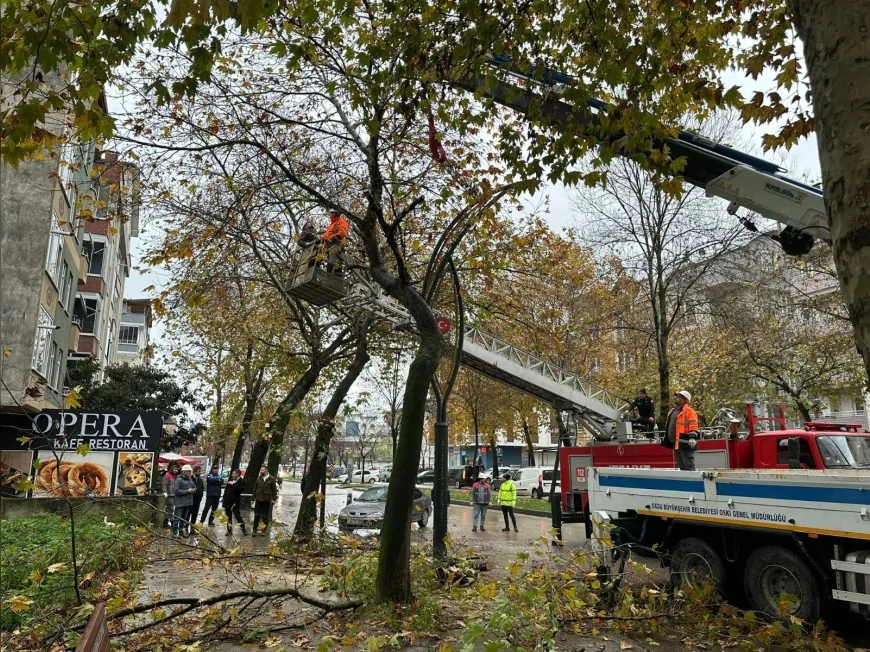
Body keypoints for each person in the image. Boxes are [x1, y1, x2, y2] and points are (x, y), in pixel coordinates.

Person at [662, 390, 700, 471]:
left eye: (679, 397)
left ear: (685, 400)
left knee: (689, 466)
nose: (676, 398)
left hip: (685, 442)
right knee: (682, 467)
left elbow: (693, 425)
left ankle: (693, 482)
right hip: (676, 443)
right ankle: (686, 482)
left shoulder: (690, 411)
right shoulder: (672, 411)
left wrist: (692, 437)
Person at [251, 465, 278, 536]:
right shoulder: (259, 478)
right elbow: (254, 488)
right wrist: (252, 499)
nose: (261, 471)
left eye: (262, 470)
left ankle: (263, 530)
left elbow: (274, 490)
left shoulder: (271, 478)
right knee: (256, 515)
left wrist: (274, 499)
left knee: (265, 516)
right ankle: (254, 529)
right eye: (260, 470)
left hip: (266, 500)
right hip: (258, 500)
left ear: (266, 470)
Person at [171, 465, 197, 537]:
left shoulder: (190, 479)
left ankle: (181, 531)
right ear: (184, 471)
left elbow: (195, 487)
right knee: (177, 518)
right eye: (188, 471)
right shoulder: (179, 480)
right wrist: (187, 491)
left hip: (188, 503)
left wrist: (194, 490)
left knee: (183, 519)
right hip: (180, 503)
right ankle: (175, 533)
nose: (190, 473)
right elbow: (176, 491)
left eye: (190, 471)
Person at [222, 469, 248, 536]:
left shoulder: (242, 481)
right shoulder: (230, 480)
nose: (232, 475)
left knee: (237, 516)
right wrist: (224, 500)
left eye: (233, 474)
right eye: (232, 474)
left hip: (235, 502)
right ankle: (229, 530)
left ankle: (243, 530)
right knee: (228, 517)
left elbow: (240, 489)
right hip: (228, 501)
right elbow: (226, 491)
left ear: (237, 474)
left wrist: (233, 484)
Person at [161, 464, 179, 529]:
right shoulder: (167, 476)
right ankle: (172, 523)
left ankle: (165, 523)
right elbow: (164, 484)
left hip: (174, 495)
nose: (176, 471)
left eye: (177, 469)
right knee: (170, 509)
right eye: (175, 469)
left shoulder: (176, 477)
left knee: (168, 510)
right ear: (172, 469)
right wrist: (165, 492)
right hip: (169, 495)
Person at [189, 466, 204, 534]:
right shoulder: (190, 479)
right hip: (190, 500)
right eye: (199, 471)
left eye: (200, 471)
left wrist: (200, 498)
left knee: (194, 515)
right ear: (195, 471)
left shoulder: (200, 480)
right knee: (187, 515)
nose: (200, 473)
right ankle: (185, 528)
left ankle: (192, 529)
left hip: (197, 501)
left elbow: (202, 489)